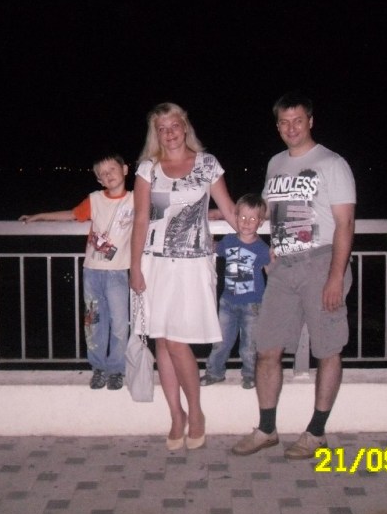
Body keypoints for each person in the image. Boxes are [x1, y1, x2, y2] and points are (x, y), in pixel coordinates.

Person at [232, 92, 356, 460]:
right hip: (283, 268)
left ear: (310, 121)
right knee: (266, 348)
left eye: (298, 120)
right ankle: (266, 429)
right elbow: (268, 212)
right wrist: (247, 230)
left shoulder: (332, 163)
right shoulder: (275, 163)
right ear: (277, 126)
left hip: (321, 263)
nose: (291, 128)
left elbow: (345, 223)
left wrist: (335, 276)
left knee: (327, 349)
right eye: (284, 122)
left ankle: (316, 432)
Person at [129, 102, 237, 451]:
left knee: (177, 342)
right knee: (162, 340)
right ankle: (177, 415)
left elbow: (229, 209)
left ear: (185, 126)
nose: (169, 133)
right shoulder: (148, 169)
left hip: (193, 263)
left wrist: (258, 236)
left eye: (174, 125)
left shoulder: (207, 164)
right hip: (154, 262)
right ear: (156, 134)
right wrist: (134, 267)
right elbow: (141, 219)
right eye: (162, 128)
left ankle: (197, 412)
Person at [19, 154, 134, 391]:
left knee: (120, 324)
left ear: (124, 169)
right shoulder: (95, 199)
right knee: (94, 324)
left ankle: (116, 369)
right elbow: (72, 214)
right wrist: (40, 216)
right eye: (102, 174)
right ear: (98, 180)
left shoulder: (136, 199)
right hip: (92, 273)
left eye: (112, 169)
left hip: (118, 272)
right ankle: (99, 368)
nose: (108, 175)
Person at [200, 193, 270, 390]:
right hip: (227, 302)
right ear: (236, 217)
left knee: (249, 345)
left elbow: (271, 271)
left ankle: (250, 375)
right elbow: (214, 247)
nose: (246, 223)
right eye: (243, 217)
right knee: (221, 341)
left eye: (253, 219)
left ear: (260, 222)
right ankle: (214, 372)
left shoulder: (262, 248)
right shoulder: (229, 240)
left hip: (253, 304)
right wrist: (205, 236)